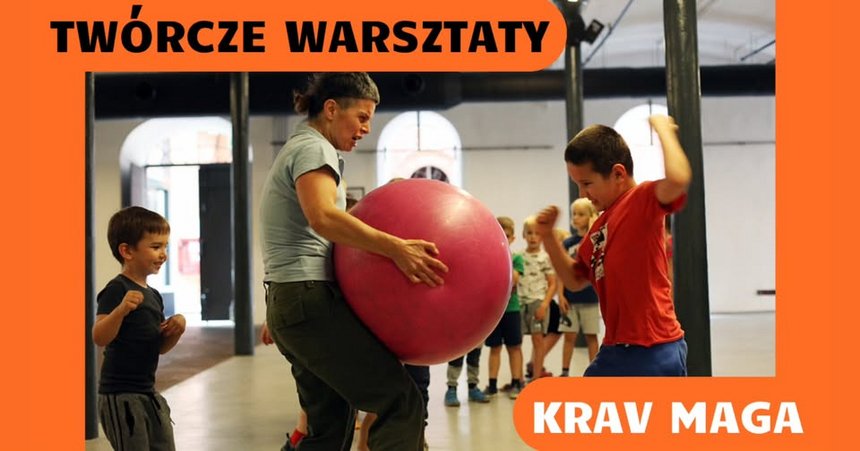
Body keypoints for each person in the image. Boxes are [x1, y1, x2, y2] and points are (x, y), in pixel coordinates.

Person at [259, 72, 447, 451]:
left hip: (292, 301)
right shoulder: (314, 149)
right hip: (307, 299)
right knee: (400, 401)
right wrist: (396, 248)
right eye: (361, 117)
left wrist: (384, 201)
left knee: (329, 428)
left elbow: (326, 219)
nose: (366, 129)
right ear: (331, 109)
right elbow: (323, 218)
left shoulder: (304, 147)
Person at [534, 115, 691, 376]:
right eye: (577, 185)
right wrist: (549, 238)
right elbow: (574, 279)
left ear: (618, 173)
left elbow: (677, 179)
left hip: (653, 347)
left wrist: (663, 130)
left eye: (587, 184)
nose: (582, 194)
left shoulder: (640, 200)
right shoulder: (598, 229)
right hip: (615, 349)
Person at [93, 206, 186, 451]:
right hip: (120, 394)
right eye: (155, 247)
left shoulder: (154, 295)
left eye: (165, 246)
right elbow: (99, 336)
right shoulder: (117, 289)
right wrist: (121, 310)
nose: (163, 254)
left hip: (148, 392)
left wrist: (176, 330)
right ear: (127, 251)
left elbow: (160, 347)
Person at [483, 216, 526, 399]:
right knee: (495, 348)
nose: (503, 239)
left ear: (512, 238)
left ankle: (517, 382)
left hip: (512, 309)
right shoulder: (488, 259)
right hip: (495, 312)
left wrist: (504, 257)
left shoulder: (517, 258)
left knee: (514, 347)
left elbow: (514, 280)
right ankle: (492, 385)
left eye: (507, 236)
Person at [557, 198, 601, 374]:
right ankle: (565, 372)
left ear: (591, 216)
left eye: (581, 214)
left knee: (591, 336)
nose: (576, 218)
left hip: (590, 297)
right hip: (570, 299)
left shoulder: (595, 241)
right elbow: (561, 270)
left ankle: (594, 370)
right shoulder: (567, 243)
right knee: (569, 336)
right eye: (574, 214)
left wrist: (593, 228)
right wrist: (560, 295)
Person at [518, 216, 557, 382]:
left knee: (538, 339)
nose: (533, 237)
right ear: (523, 235)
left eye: (537, 233)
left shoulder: (545, 257)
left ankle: (536, 377)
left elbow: (552, 283)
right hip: (520, 303)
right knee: (516, 342)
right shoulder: (518, 256)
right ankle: (518, 379)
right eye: (529, 233)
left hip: (538, 302)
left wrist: (544, 304)